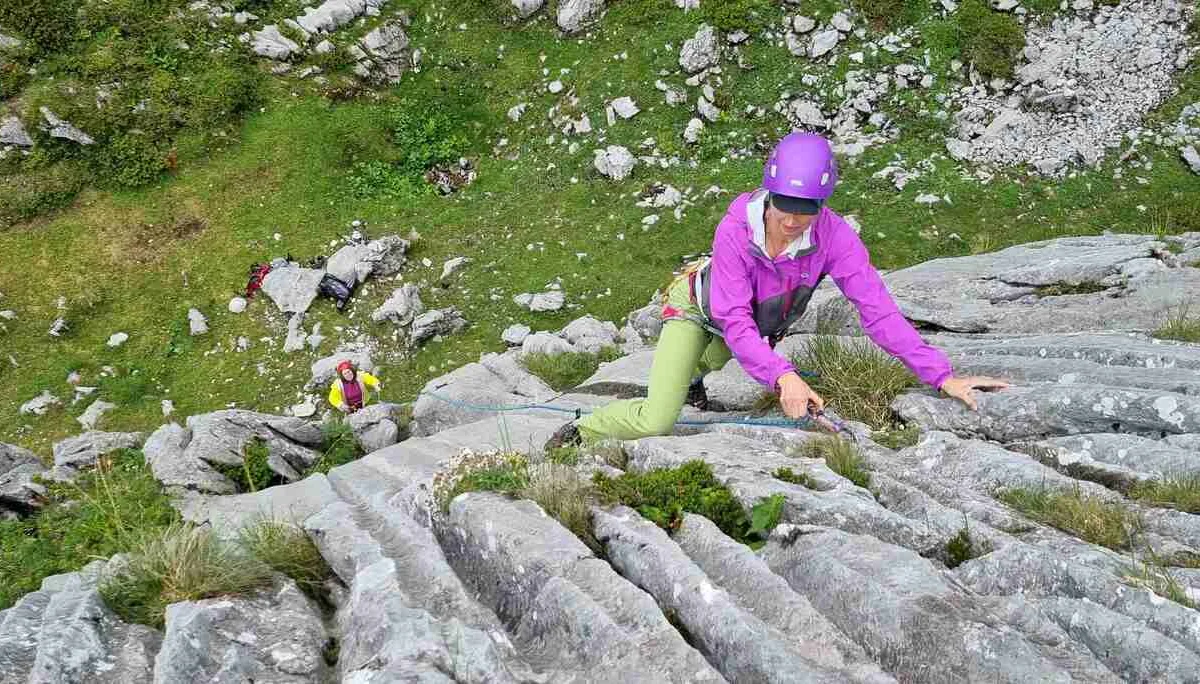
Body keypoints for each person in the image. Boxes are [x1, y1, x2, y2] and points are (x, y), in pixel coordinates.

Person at [546, 132, 1007, 449]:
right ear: (769, 193)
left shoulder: (835, 239)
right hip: (700, 311)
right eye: (783, 205)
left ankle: (691, 378)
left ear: (822, 205)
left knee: (713, 360)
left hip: (746, 325)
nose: (790, 220)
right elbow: (734, 321)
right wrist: (784, 376)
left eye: (805, 210)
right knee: (657, 419)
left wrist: (941, 376)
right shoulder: (735, 231)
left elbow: (878, 312)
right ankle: (581, 431)